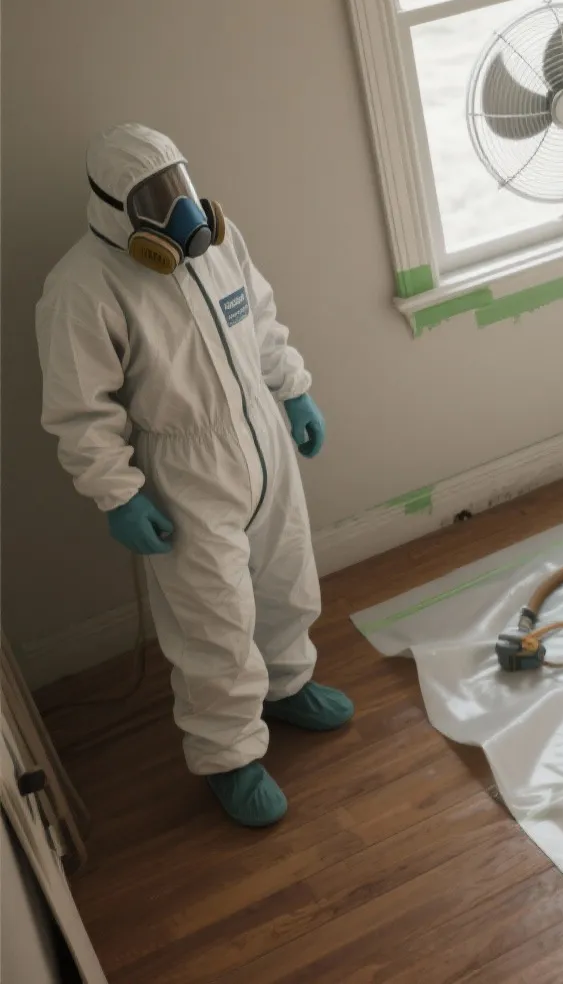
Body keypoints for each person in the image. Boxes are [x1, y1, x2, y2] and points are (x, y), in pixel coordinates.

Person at [36, 123, 351, 828]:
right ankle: (229, 753)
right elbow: (79, 412)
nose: (179, 214)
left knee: (285, 576)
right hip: (184, 468)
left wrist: (292, 388)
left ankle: (288, 683)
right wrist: (118, 495)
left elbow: (260, 318)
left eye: (177, 187)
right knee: (212, 618)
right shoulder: (82, 287)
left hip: (260, 440)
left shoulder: (220, 242)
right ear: (114, 209)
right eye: (154, 199)